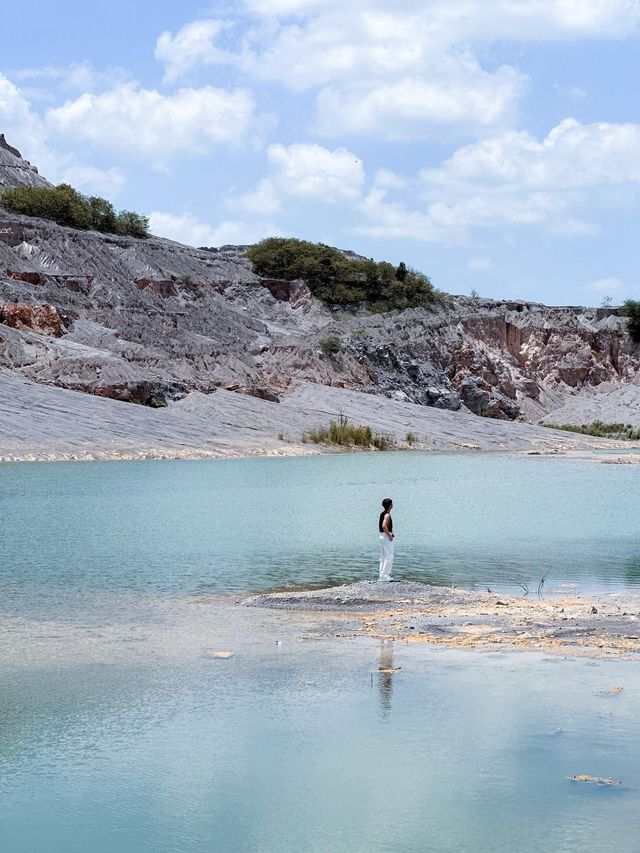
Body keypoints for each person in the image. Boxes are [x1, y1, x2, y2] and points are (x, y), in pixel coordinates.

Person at [378, 498, 394, 582]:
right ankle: (385, 576)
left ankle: (382, 575)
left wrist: (390, 533)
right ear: (390, 505)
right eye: (392, 504)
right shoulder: (387, 515)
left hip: (382, 536)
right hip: (385, 536)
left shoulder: (382, 513)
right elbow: (384, 526)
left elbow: (384, 527)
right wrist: (390, 535)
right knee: (389, 555)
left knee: (383, 556)